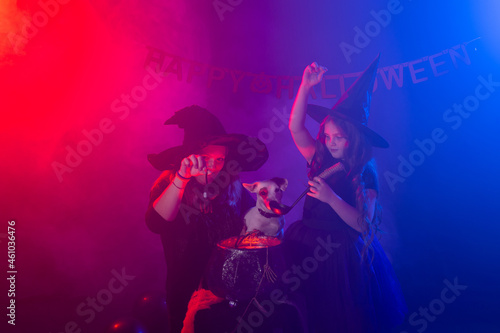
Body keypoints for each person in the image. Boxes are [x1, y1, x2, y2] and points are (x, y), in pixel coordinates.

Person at [284, 56, 407, 332]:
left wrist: (331, 198)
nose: (331, 142)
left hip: (340, 254)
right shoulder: (319, 155)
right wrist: (305, 87)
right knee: (307, 312)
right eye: (327, 136)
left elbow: (364, 224)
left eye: (338, 136)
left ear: (354, 136)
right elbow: (295, 127)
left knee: (338, 318)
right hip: (305, 244)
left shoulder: (365, 169)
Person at [145, 105, 268, 333]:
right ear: (188, 156)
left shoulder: (232, 185)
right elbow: (156, 223)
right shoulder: (169, 183)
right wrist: (182, 178)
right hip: (186, 288)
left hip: (228, 287)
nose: (213, 166)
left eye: (220, 159)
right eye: (205, 158)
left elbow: (253, 225)